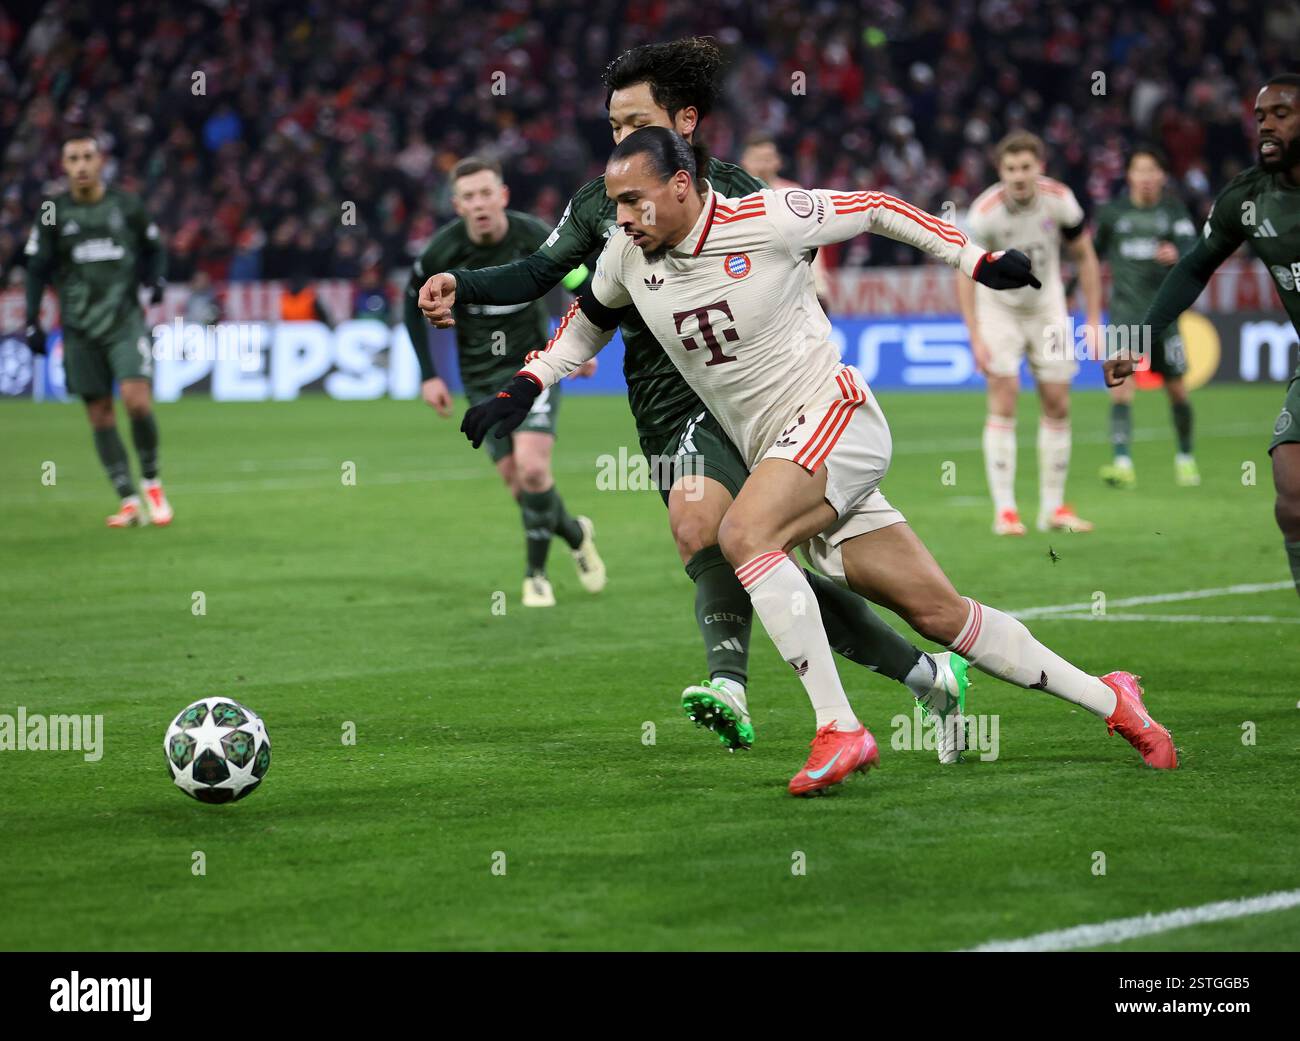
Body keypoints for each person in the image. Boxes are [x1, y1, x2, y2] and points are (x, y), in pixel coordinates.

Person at [463, 128, 1177, 794]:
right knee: (940, 614)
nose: (619, 217)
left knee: (741, 534)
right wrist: (526, 384)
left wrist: (975, 259)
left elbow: (872, 207)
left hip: (835, 417)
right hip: (782, 449)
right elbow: (585, 323)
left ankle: (839, 727)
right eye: (614, 203)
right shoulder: (627, 256)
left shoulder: (764, 218)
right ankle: (1114, 698)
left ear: (681, 184)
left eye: (631, 199)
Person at [419, 37, 971, 761]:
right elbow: (542, 273)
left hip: (747, 398)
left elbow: (806, 265)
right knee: (754, 557)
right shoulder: (600, 201)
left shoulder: (738, 193)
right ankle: (925, 675)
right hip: (656, 397)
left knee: (702, 530)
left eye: (634, 121)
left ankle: (735, 688)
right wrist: (468, 287)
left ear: (683, 121)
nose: (619, 139)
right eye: (612, 125)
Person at [1112, 74, 1300, 596]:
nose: (1266, 125)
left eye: (1281, 114)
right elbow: (1194, 267)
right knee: (1291, 489)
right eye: (1261, 116)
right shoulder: (1248, 198)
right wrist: (1140, 339)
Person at [403, 157, 605, 607]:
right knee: (521, 486)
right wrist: (429, 375)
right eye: (469, 196)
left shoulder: (533, 235)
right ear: (457, 205)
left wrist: (584, 341)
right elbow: (409, 302)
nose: (479, 203)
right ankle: (575, 533)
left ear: (503, 196)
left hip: (532, 367)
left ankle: (536, 576)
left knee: (534, 470)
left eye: (486, 193)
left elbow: (580, 279)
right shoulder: (442, 251)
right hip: (478, 378)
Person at [24, 128, 171, 528]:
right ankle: (128, 499)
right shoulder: (54, 211)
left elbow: (155, 247)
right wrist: (31, 318)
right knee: (100, 413)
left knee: (136, 400)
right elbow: (36, 268)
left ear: (101, 161)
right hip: (79, 327)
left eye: (87, 157)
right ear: (64, 166)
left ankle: (152, 481)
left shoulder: (126, 205)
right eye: (72, 159)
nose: (81, 166)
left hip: (124, 321)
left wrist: (157, 280)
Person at [957, 132, 1100, 536]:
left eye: (1025, 167)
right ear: (1000, 171)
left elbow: (1085, 256)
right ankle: (1005, 511)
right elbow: (964, 271)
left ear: (1039, 167)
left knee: (1057, 402)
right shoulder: (985, 213)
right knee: (1003, 398)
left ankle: (1053, 509)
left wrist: (1091, 318)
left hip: (1048, 309)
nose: (1019, 176)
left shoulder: (1060, 200)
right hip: (998, 311)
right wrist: (975, 335)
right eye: (1010, 168)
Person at [1093, 147, 1201, 488]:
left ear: (1162, 175)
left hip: (1164, 320)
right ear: (1129, 175)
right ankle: (1122, 463)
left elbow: (1197, 250)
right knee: (1121, 391)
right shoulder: (1112, 214)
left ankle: (1185, 458)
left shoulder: (1173, 212)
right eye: (1138, 170)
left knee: (1178, 392)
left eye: (1152, 169)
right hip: (1124, 317)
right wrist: (1070, 292)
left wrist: (1179, 254)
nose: (1145, 177)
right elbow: (1090, 255)